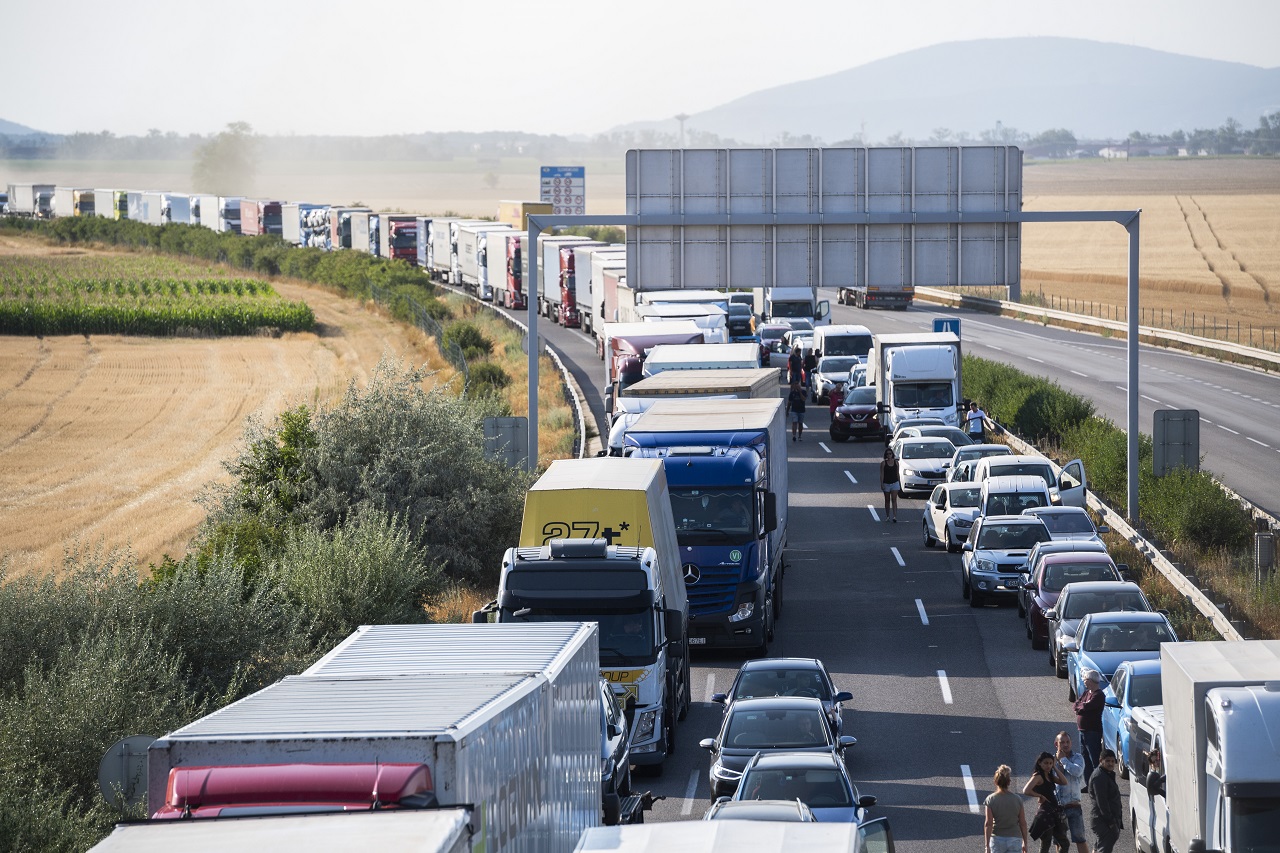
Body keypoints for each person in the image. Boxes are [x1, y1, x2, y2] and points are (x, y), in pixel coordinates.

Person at [1023, 752, 1069, 853]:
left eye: (1050, 763)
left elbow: (1064, 782)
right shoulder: (1038, 776)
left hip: (1054, 813)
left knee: (1065, 843)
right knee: (1046, 844)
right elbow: (1026, 790)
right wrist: (1040, 796)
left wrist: (1055, 768)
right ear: (1040, 763)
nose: (1048, 765)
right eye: (1046, 763)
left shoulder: (1049, 775)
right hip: (1045, 814)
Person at [1053, 731, 1088, 853]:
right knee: (1059, 840)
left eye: (1067, 742)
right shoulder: (1051, 761)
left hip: (1073, 806)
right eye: (1062, 742)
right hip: (1058, 808)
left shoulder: (1077, 758)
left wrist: (1063, 761)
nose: (1065, 745)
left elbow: (1077, 771)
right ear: (1056, 744)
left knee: (1080, 838)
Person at [984, 764, 1030, 853]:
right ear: (1009, 782)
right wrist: (1025, 842)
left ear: (996, 782)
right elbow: (1022, 823)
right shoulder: (1017, 799)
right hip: (1015, 838)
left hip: (997, 839)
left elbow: (988, 823)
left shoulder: (990, 799)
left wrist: (987, 846)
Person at [1072, 670, 1105, 786]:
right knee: (1085, 759)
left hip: (1092, 732)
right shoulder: (1086, 693)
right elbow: (1076, 704)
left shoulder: (1099, 695)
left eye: (1085, 680)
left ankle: (1098, 784)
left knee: (1094, 759)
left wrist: (1081, 706)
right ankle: (1089, 784)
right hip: (1082, 730)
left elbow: (1087, 707)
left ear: (1091, 681)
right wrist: (1081, 706)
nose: (1084, 682)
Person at [1087, 750, 1123, 853]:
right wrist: (1111, 822)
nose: (1111, 763)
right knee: (1104, 848)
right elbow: (1101, 802)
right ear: (1100, 761)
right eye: (1107, 761)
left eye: (1112, 761)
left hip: (1105, 820)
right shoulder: (1099, 777)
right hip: (1103, 821)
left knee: (1099, 847)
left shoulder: (1106, 774)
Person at [879, 447, 900, 522]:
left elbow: (897, 473)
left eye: (890, 454)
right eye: (887, 454)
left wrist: (899, 483)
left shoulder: (896, 463)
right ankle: (887, 516)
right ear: (886, 455)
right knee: (887, 500)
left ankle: (894, 516)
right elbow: (882, 474)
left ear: (892, 454)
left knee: (894, 499)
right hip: (886, 484)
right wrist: (882, 484)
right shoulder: (883, 463)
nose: (889, 455)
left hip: (895, 483)